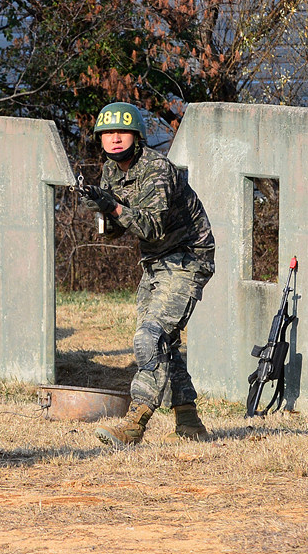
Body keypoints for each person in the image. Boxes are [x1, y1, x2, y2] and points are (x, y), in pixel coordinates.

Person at [79, 102, 215, 448]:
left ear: (136, 136)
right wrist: (100, 209)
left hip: (187, 258)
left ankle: (133, 425)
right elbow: (113, 233)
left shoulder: (157, 170)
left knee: (148, 338)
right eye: (107, 133)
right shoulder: (110, 172)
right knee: (163, 342)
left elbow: (152, 227)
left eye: (121, 132)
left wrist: (112, 205)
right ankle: (189, 421)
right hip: (155, 262)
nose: (114, 139)